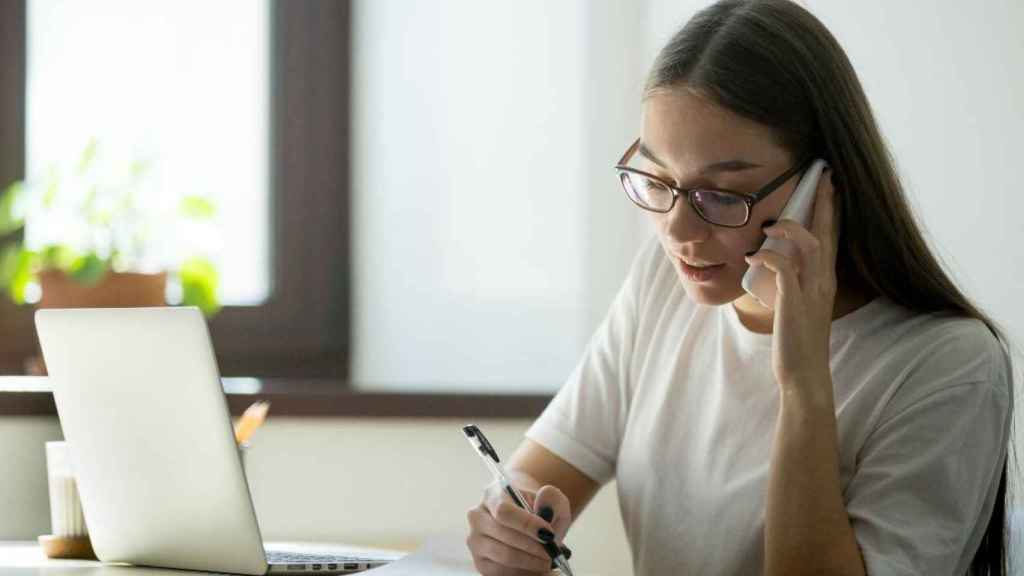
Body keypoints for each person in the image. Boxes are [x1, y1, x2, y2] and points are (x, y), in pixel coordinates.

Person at [464, 0, 1015, 575]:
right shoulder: (664, 281)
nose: (677, 230)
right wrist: (511, 523)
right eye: (657, 180)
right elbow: (541, 476)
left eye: (723, 196)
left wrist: (803, 381)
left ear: (822, 186)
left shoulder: (949, 366)